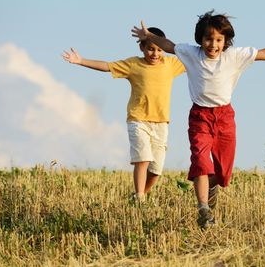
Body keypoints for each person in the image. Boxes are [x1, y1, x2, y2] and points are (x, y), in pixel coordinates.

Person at [132, 11, 265, 228]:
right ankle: (203, 209)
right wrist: (148, 35)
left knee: (222, 173)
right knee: (201, 163)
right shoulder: (191, 54)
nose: (213, 44)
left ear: (225, 41)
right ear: (200, 40)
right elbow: (168, 45)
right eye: (208, 39)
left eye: (219, 40)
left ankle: (211, 190)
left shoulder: (234, 56)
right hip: (200, 117)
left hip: (224, 118)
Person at [62, 27, 185, 203]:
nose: (155, 53)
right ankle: (139, 197)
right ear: (141, 48)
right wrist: (81, 61)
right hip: (138, 120)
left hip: (161, 123)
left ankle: (139, 196)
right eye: (150, 48)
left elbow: (194, 60)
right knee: (142, 159)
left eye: (159, 49)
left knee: (156, 169)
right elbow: (107, 66)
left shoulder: (172, 65)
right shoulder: (133, 65)